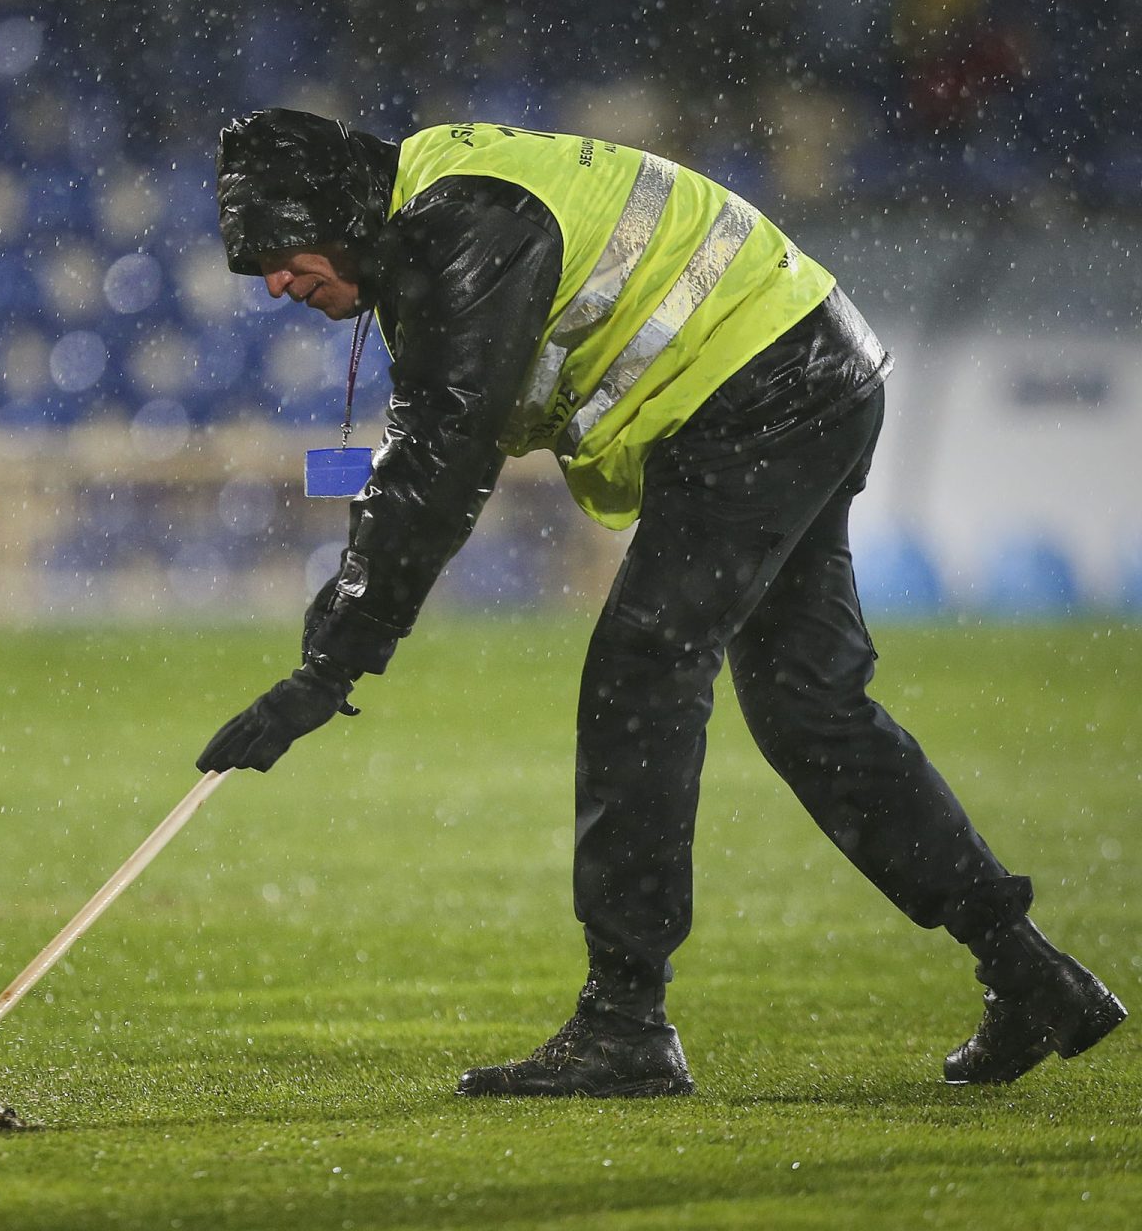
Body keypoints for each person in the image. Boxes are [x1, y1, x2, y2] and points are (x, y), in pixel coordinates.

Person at [196, 107, 1125, 1098]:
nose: (278, 283)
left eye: (282, 254)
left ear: (338, 214)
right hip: (810, 365)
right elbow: (421, 456)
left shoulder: (456, 229)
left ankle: (626, 1021)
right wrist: (345, 612)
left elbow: (440, 460)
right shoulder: (433, 213)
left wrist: (331, 665)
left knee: (641, 672)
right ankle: (1028, 970)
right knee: (811, 710)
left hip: (763, 389)